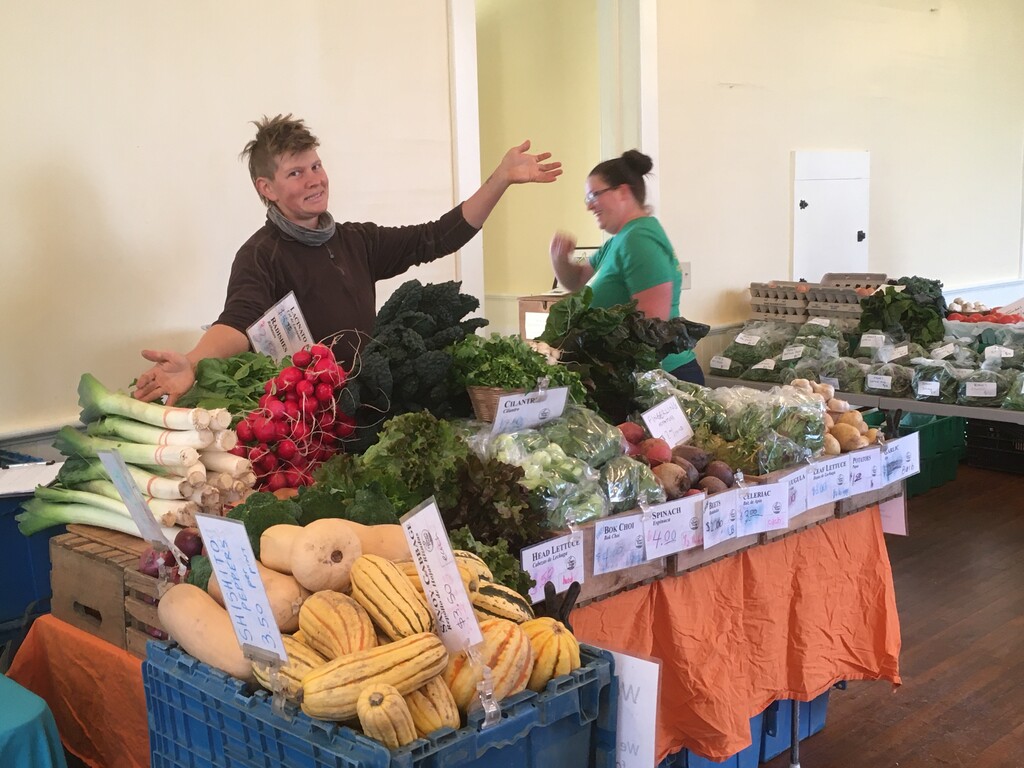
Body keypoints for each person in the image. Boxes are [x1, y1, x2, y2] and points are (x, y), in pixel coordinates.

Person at [133, 114, 562, 405]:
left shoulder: (357, 240)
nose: (314, 180)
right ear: (267, 188)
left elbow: (437, 236)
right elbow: (237, 322)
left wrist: (500, 179)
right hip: (306, 419)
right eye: (296, 173)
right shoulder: (260, 255)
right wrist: (193, 361)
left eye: (316, 166)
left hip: (365, 404)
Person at [548, 150, 704, 385]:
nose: (589, 206)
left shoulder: (639, 240)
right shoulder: (619, 240)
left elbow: (652, 330)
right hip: (639, 376)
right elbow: (576, 281)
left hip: (663, 378)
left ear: (622, 192)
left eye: (594, 195)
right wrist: (558, 258)